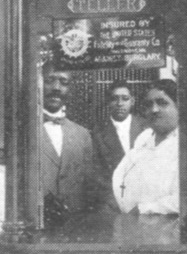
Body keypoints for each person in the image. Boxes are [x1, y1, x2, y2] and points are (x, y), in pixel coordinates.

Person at [111, 79, 179, 216]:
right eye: (149, 105)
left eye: (162, 103)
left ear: (179, 106)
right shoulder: (144, 138)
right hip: (130, 221)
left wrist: (144, 209)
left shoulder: (185, 144)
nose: (154, 109)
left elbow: (183, 199)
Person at [39, 63, 95, 227]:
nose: (56, 87)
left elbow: (88, 186)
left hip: (74, 226)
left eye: (64, 82)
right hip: (36, 223)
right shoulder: (25, 131)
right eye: (50, 80)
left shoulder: (83, 134)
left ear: (71, 89)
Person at [91, 80, 148, 209]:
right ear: (108, 102)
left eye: (125, 99)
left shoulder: (146, 128)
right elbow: (96, 174)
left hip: (144, 200)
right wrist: (114, 200)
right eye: (114, 99)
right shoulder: (97, 133)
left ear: (132, 101)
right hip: (112, 202)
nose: (120, 104)